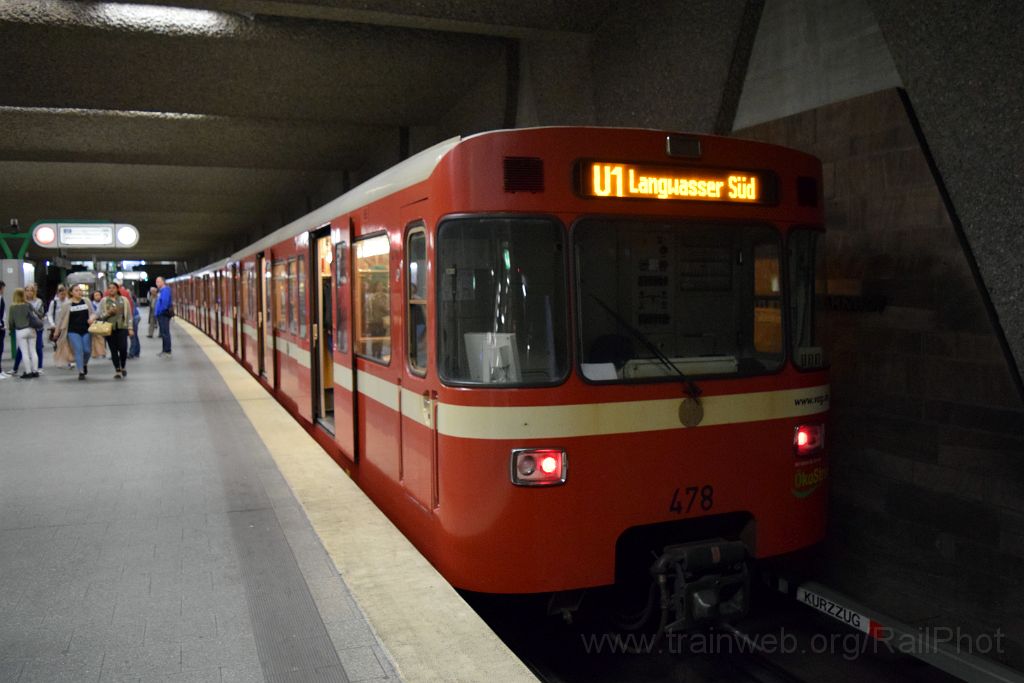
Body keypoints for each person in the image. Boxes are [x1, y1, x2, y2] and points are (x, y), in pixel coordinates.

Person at [54, 284, 95, 380]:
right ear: (71, 292)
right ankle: (80, 371)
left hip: (86, 330)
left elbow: (93, 312)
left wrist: (92, 318)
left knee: (87, 350)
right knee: (78, 350)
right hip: (73, 331)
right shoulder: (67, 304)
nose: (79, 292)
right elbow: (61, 318)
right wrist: (57, 331)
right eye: (76, 290)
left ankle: (84, 364)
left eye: (80, 290)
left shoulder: (86, 301)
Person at [97, 282, 133, 379]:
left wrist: (130, 328)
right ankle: (117, 369)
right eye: (109, 288)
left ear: (117, 289)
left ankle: (123, 365)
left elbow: (129, 315)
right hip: (109, 329)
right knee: (113, 350)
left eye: (113, 288)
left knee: (123, 348)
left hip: (122, 327)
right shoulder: (104, 301)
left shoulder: (124, 300)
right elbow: (100, 316)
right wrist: (108, 313)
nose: (111, 289)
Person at [7, 288, 40, 378]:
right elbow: (37, 314)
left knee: (24, 352)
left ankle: (28, 372)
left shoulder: (12, 307)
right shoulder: (28, 305)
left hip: (20, 331)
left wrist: (11, 329)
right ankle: (35, 371)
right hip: (31, 329)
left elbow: (11, 321)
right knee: (33, 351)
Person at [13, 283, 45, 375]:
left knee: (38, 347)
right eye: (27, 290)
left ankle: (39, 367)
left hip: (35, 327)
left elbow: (41, 313)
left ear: (34, 292)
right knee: (21, 349)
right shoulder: (22, 302)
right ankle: (15, 368)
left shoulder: (38, 301)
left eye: (31, 290)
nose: (29, 292)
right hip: (24, 327)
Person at [118, 280, 142, 359]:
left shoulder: (124, 296)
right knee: (134, 336)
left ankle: (132, 353)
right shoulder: (129, 297)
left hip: (132, 317)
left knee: (132, 336)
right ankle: (136, 352)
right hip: (135, 316)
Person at [154, 276, 173, 357]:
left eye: (158, 281)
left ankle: (167, 351)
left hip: (163, 314)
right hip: (161, 314)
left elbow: (164, 303)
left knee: (165, 333)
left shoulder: (165, 291)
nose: (157, 283)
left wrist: (159, 312)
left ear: (163, 282)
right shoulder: (162, 291)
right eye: (156, 281)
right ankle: (164, 350)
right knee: (163, 333)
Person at [90, 290, 107, 360]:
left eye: (98, 295)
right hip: (94, 321)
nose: (97, 296)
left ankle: (102, 351)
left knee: (102, 337)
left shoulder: (103, 303)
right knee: (94, 337)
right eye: (95, 295)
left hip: (102, 320)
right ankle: (94, 353)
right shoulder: (91, 304)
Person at [0, 280, 8, 379]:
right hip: (0, 326)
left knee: (1, 349)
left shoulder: (1, 298)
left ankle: (1, 370)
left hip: (2, 326)